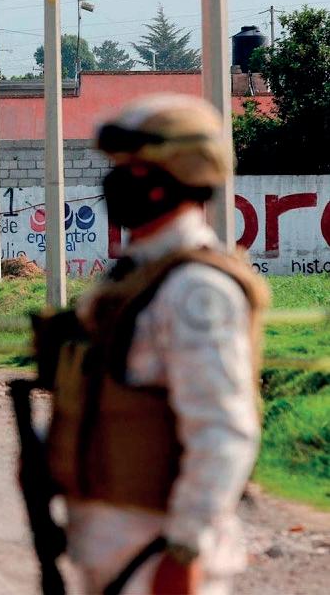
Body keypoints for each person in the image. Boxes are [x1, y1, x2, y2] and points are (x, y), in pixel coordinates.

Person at [45, 94, 269, 595]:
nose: (116, 180)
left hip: (158, 558)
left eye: (134, 167)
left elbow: (223, 431)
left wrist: (185, 549)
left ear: (179, 173)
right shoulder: (135, 278)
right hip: (115, 549)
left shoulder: (196, 289)